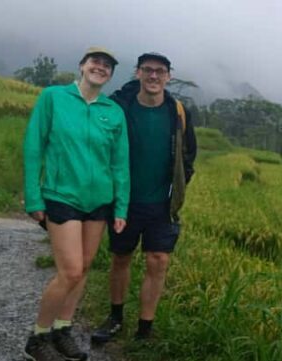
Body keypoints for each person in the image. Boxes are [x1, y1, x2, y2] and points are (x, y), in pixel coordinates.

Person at [22, 47, 129, 361]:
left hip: (99, 202)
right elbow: (33, 146)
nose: (101, 67)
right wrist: (33, 196)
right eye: (95, 61)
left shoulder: (113, 111)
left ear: (110, 74)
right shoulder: (53, 97)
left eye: (107, 65)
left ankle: (62, 329)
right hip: (62, 196)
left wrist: (120, 207)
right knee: (69, 271)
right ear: (82, 66)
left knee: (82, 269)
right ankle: (38, 337)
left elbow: (120, 164)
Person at [91, 52, 196, 343]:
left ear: (168, 77)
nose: (153, 76)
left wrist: (179, 186)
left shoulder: (178, 112)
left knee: (158, 260)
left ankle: (144, 329)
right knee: (121, 257)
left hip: (162, 203)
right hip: (124, 200)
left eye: (160, 71)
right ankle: (115, 318)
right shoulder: (119, 107)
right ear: (137, 73)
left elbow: (188, 154)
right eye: (148, 70)